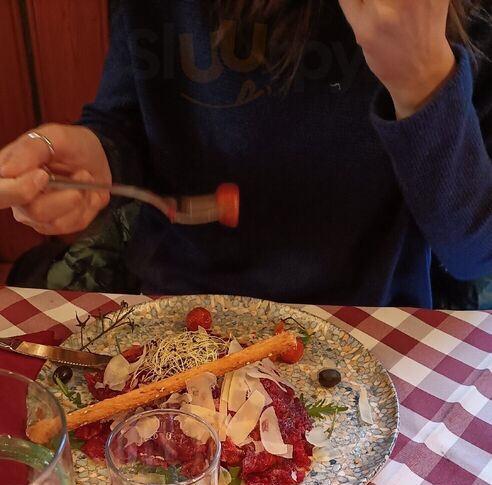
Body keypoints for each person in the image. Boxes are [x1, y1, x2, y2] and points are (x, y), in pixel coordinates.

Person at [0, 0, 491, 306]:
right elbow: (124, 117)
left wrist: (423, 82)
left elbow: (475, 253)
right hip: (183, 306)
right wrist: (98, 153)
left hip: (370, 319)